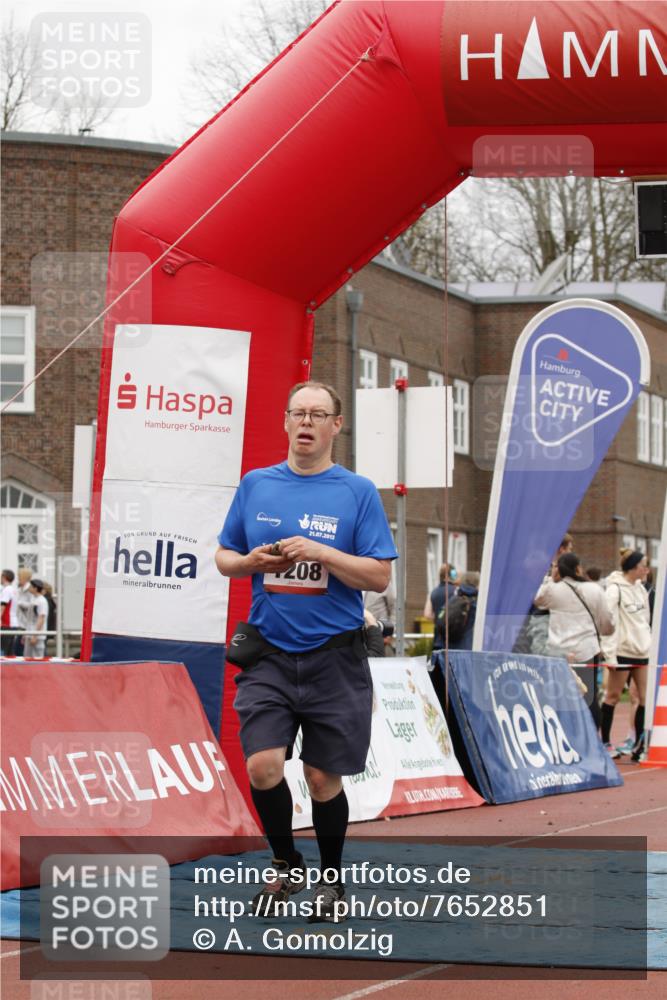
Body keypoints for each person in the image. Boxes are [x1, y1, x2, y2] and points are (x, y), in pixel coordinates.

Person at [215, 380, 397, 922]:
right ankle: (285, 861)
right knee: (264, 766)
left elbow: (380, 575)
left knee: (321, 778)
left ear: (336, 425)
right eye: (298, 412)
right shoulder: (256, 485)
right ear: (286, 422)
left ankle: (332, 881)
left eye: (319, 414)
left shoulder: (356, 491)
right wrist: (251, 562)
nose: (306, 422)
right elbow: (224, 556)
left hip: (334, 657)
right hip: (269, 652)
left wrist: (322, 552)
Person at [535, 553, 613, 724]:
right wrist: (603, 632)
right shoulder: (594, 589)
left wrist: (550, 578)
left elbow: (537, 599)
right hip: (586, 649)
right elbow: (607, 621)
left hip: (559, 651)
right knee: (588, 696)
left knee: (560, 697)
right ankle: (592, 736)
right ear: (578, 568)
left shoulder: (553, 590)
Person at [600, 549, 652, 761]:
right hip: (622, 652)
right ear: (633, 567)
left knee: (643, 698)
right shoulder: (614, 590)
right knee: (612, 696)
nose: (646, 569)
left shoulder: (641, 589)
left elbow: (645, 620)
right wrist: (609, 655)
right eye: (643, 565)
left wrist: (648, 644)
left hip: (642, 651)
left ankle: (639, 745)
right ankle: (605, 743)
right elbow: (608, 622)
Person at [24, 578, 49, 658]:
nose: (29, 588)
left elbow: (41, 618)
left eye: (31, 586)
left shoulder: (42, 601)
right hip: (30, 632)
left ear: (35, 588)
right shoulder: (34, 599)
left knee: (37, 658)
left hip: (37, 635)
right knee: (27, 658)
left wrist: (35, 635)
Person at [15, 568, 34, 655]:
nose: (18, 578)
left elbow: (32, 605)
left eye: (19, 576)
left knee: (21, 650)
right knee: (18, 649)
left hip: (26, 624)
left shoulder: (30, 589)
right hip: (19, 623)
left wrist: (20, 603)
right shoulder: (19, 589)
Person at [1, 569, 18, 655]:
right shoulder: (13, 590)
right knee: (9, 652)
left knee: (4, 651)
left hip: (6, 624)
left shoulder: (7, 590)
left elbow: (3, 606)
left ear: (4, 577)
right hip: (12, 623)